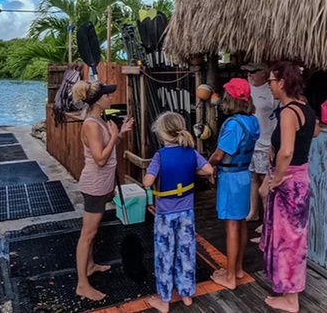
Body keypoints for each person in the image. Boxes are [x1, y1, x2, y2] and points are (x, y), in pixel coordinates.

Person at [260, 61, 319, 313]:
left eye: (271, 81)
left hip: (289, 182)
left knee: (289, 241)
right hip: (301, 179)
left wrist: (277, 178)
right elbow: (315, 132)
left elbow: (286, 151)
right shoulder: (305, 107)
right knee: (293, 238)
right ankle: (286, 289)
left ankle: (291, 299)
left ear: (282, 82)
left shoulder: (287, 112)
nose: (270, 86)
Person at [143, 112, 215, 313]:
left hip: (165, 214)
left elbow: (147, 182)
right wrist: (193, 171)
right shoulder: (191, 152)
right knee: (186, 252)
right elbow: (209, 170)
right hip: (186, 213)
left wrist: (150, 175)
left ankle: (164, 300)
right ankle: (186, 294)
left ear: (163, 134)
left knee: (165, 254)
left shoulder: (160, 155)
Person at [72, 80, 134, 301]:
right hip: (95, 184)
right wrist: (115, 132)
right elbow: (100, 159)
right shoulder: (91, 124)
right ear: (98, 101)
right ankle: (82, 285)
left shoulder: (99, 120)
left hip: (101, 183)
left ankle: (90, 266)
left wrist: (120, 133)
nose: (110, 98)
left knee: (93, 231)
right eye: (107, 95)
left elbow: (108, 149)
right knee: (87, 235)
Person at [209, 78, 260, 290]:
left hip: (230, 178)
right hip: (244, 174)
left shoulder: (233, 124)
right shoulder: (253, 121)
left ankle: (229, 277)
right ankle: (237, 268)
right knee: (240, 222)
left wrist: (206, 166)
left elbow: (220, 154)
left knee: (231, 225)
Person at [243, 63, 277, 244]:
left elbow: (279, 116)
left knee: (266, 183)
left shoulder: (271, 91)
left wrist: (274, 141)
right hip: (252, 142)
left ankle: (268, 221)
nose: (249, 75)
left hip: (266, 142)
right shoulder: (247, 89)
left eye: (253, 72)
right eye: (247, 72)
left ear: (264, 73)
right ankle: (253, 211)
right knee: (253, 177)